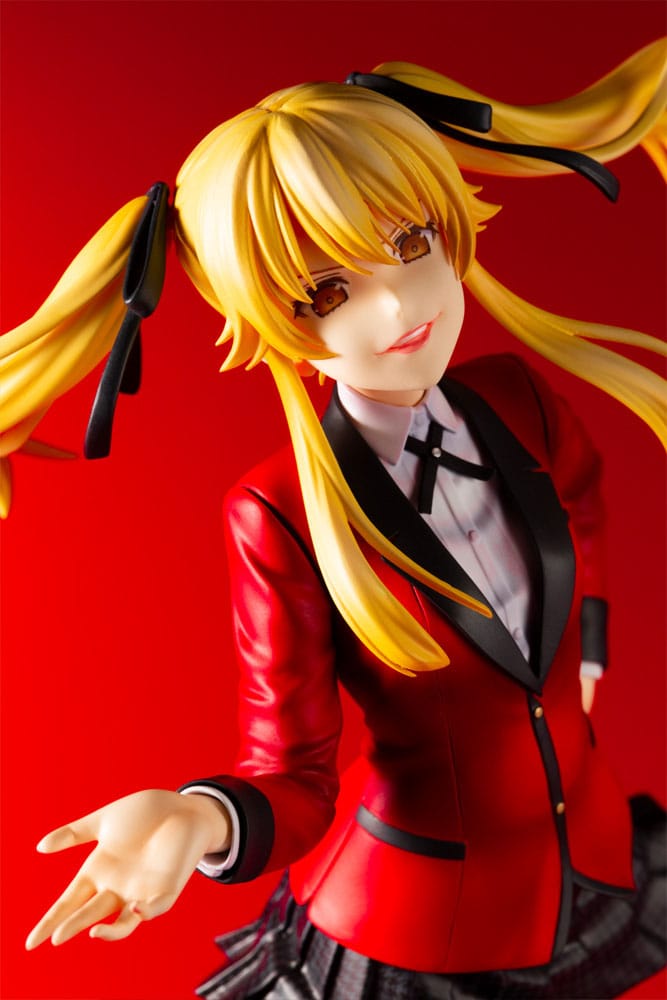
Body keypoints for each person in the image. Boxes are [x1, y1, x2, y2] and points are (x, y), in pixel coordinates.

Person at [2, 41, 666, 999]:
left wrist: (587, 648)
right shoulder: (277, 510)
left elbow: (583, 500)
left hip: (587, 858)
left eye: (411, 242)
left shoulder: (516, 397)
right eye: (327, 291)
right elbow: (294, 772)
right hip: (419, 916)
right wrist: (198, 818)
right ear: (269, 318)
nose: (396, 301)